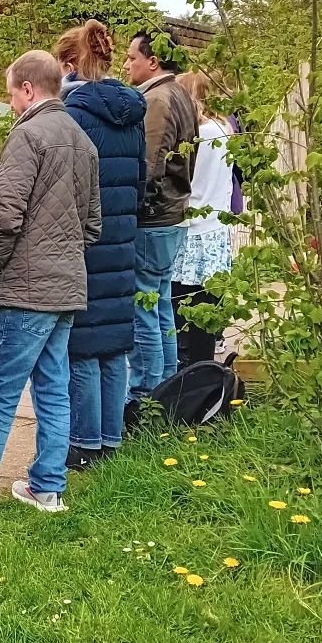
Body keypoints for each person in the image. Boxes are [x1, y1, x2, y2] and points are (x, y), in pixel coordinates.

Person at [0, 50, 100, 513]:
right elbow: (92, 224)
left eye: (12, 92)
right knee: (54, 386)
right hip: (67, 285)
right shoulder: (83, 141)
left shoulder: (27, 137)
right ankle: (47, 485)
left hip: (25, 289)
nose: (10, 101)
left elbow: (4, 218)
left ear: (28, 90)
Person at [57, 22, 147, 471]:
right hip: (123, 235)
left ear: (68, 65)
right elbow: (141, 178)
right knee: (113, 344)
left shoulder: (72, 114)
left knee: (84, 344)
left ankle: (84, 443)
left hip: (84, 239)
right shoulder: (134, 114)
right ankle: (111, 437)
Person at [123, 29, 199, 404]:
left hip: (153, 219)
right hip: (172, 214)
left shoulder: (157, 99)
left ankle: (146, 394)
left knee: (144, 309)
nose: (125, 65)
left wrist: (127, 206)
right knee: (161, 304)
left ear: (153, 61)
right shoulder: (182, 93)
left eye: (131, 58)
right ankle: (169, 386)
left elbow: (148, 166)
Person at [171, 71, 235, 367]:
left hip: (190, 230)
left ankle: (182, 380)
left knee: (181, 310)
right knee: (207, 315)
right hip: (216, 231)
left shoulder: (196, 135)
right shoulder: (225, 129)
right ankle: (205, 374)